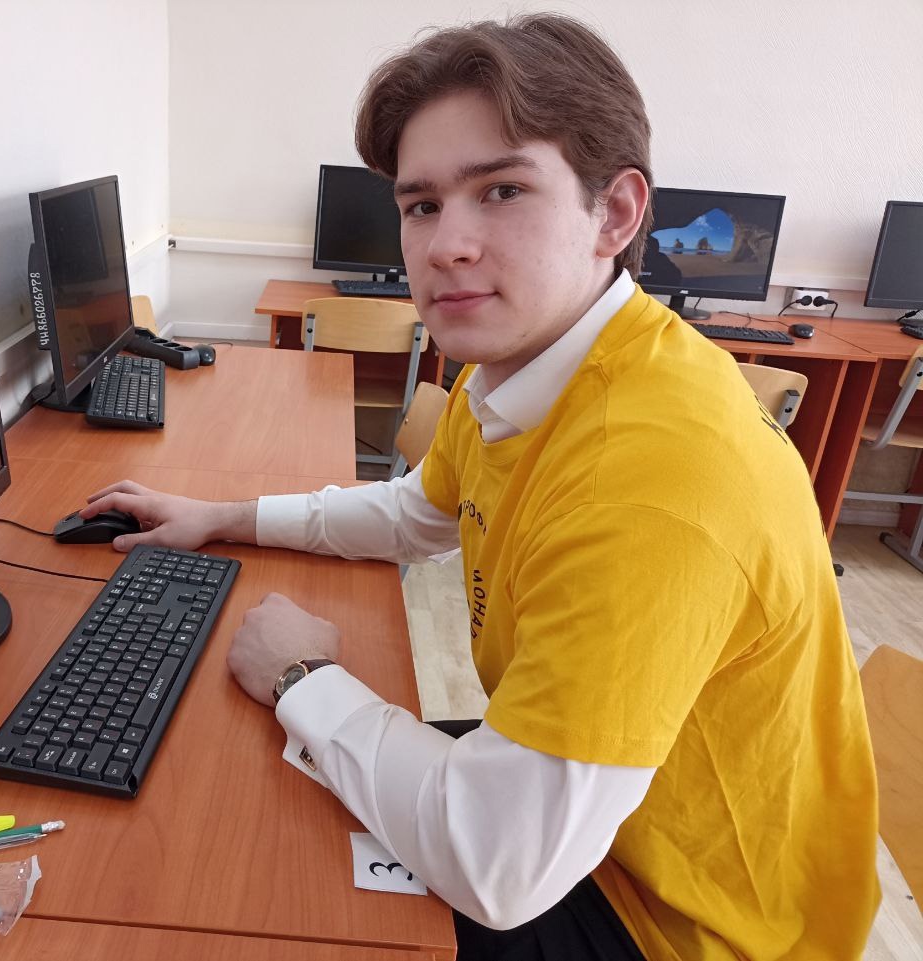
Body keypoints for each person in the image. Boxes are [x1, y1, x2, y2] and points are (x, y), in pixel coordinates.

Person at [80, 15, 879, 960]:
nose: (445, 245)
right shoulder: (524, 367)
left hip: (679, 923)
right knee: (235, 792)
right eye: (421, 204)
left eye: (502, 190)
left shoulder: (655, 480)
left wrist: (304, 676)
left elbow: (500, 867)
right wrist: (221, 517)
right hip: (596, 823)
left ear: (615, 215)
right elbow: (412, 514)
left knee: (257, 898)